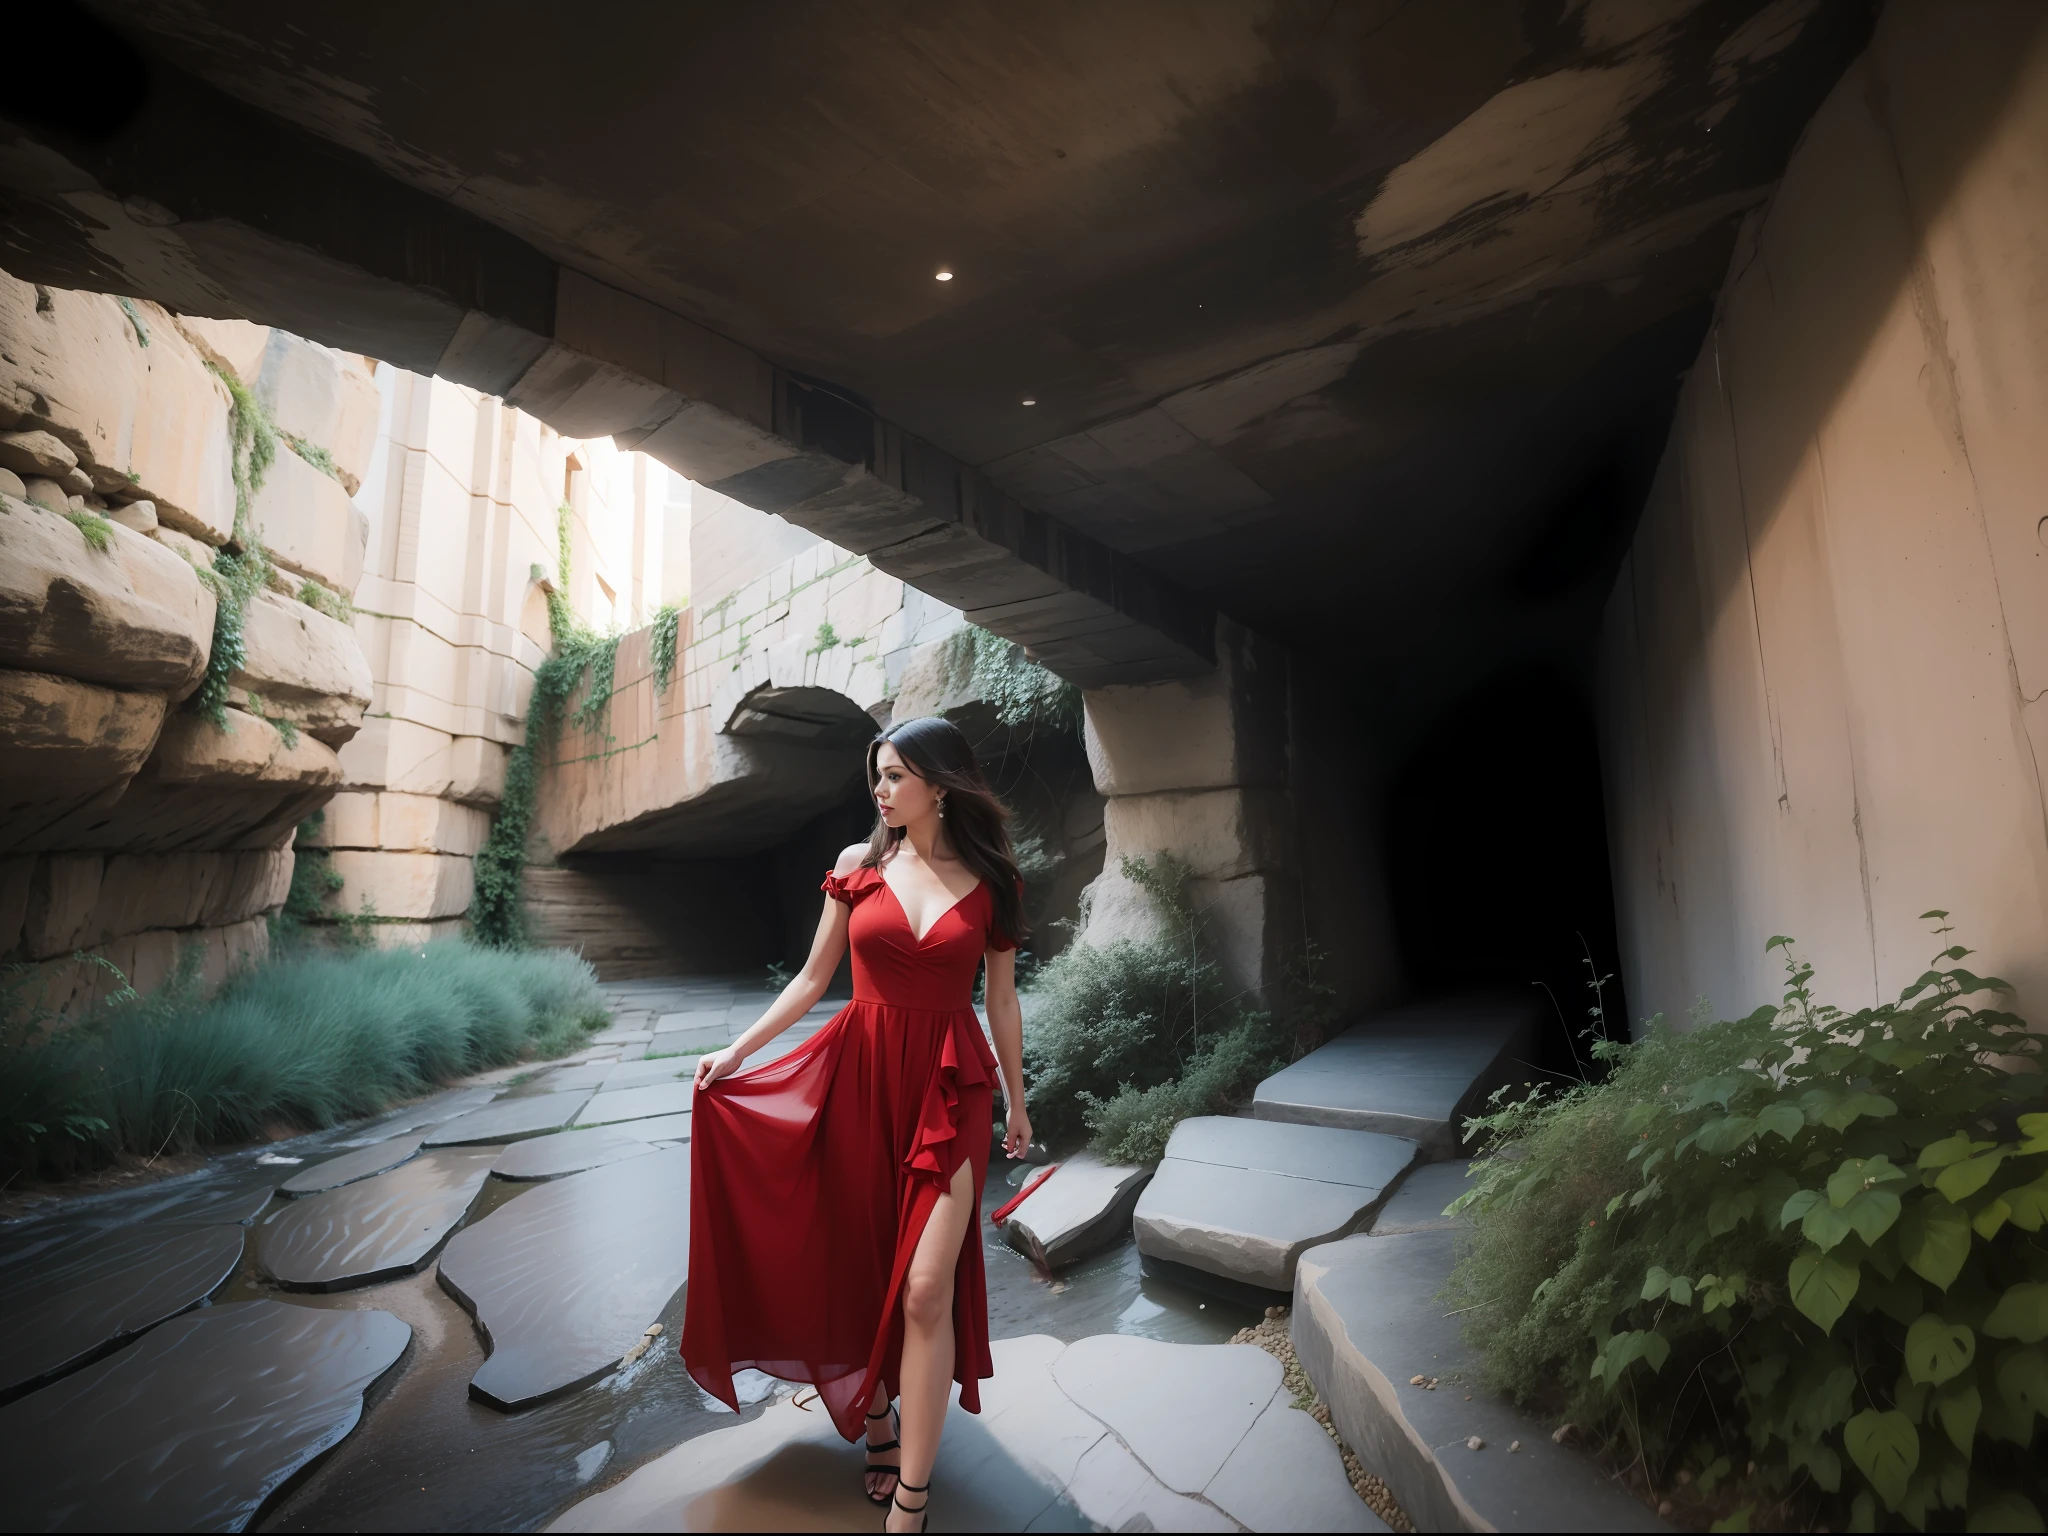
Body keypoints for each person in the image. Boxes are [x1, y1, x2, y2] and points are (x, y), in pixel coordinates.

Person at [682, 715, 1032, 1533]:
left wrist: (1018, 1098)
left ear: (938, 785)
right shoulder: (858, 865)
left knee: (924, 1287)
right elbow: (812, 980)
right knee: (858, 1262)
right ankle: (877, 1424)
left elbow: (1002, 1000)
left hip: (950, 1089)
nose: (880, 791)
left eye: (896, 776)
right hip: (859, 1079)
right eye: (876, 776)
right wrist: (735, 1052)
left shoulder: (995, 881)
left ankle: (911, 1497)